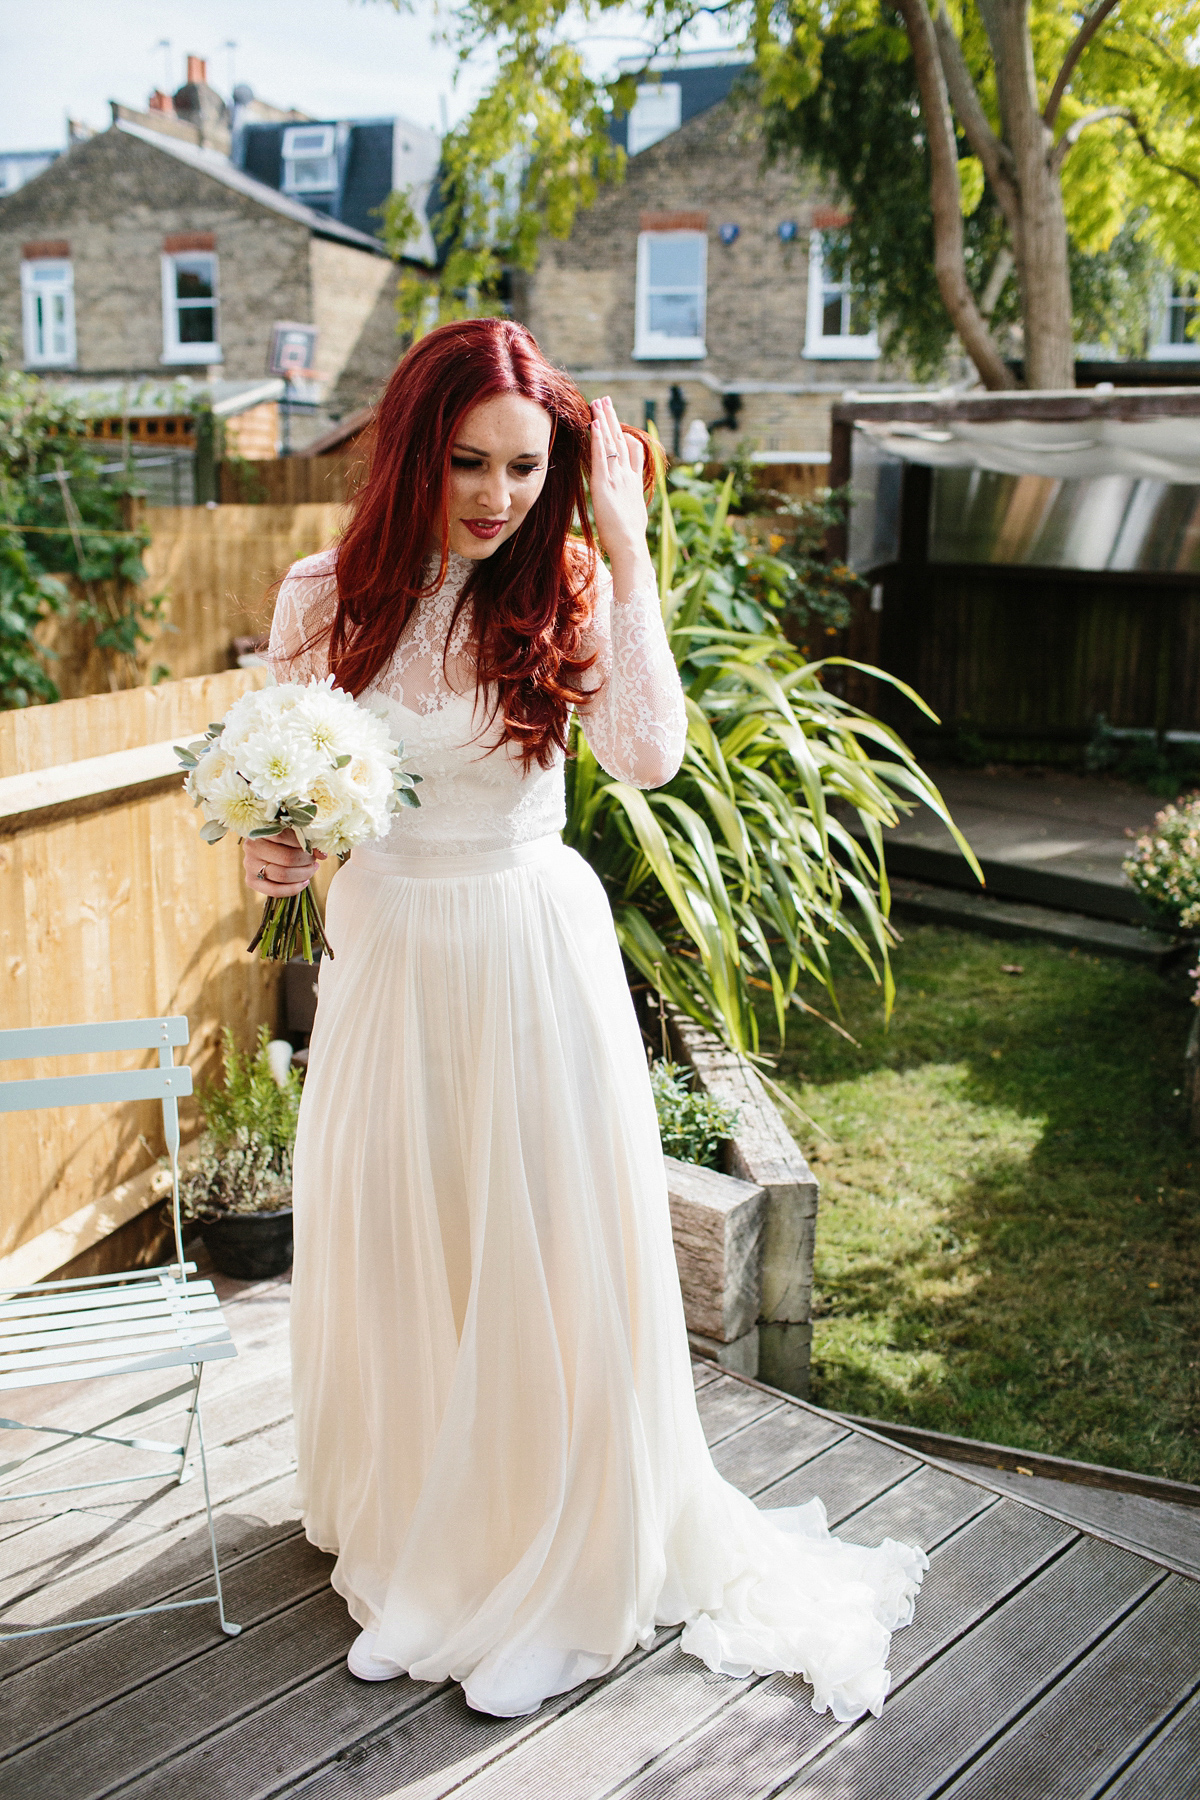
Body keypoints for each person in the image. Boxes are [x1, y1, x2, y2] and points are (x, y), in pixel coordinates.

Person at [250, 318, 926, 1722]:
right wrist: (278, 850)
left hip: (525, 952)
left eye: (521, 466)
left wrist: (625, 549)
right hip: (387, 963)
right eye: (466, 463)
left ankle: (552, 1574)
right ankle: (423, 1536)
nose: (495, 495)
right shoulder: (323, 594)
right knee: (406, 1239)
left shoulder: (562, 583)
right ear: (411, 456)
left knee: (539, 1257)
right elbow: (299, 804)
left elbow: (649, 751)